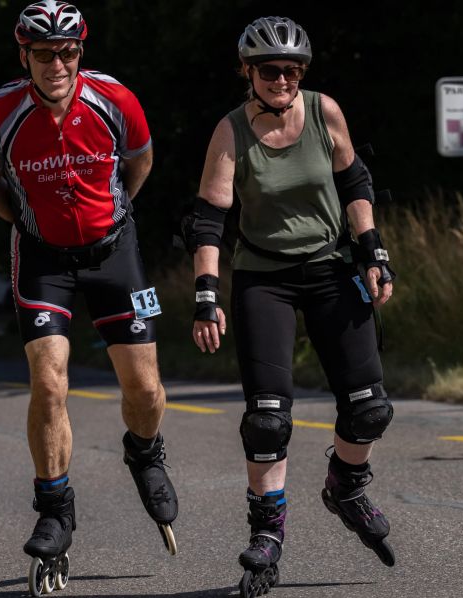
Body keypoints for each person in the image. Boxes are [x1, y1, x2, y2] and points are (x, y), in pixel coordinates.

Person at [0, 1, 179, 590]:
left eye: (66, 52)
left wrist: (114, 217)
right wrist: (24, 221)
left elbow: (140, 161)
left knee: (145, 388)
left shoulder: (115, 100)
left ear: (79, 53)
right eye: (43, 53)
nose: (56, 64)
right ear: (24, 56)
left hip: (117, 251)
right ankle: (55, 508)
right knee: (50, 381)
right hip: (41, 256)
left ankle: (144, 450)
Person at [184, 17, 398, 597]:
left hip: (331, 268)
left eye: (292, 70)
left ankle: (347, 487)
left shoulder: (325, 112)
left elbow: (355, 182)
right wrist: (207, 293)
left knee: (369, 409)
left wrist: (372, 252)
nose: (282, 79)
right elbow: (210, 218)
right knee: (268, 419)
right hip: (264, 279)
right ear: (247, 72)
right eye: (270, 69)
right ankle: (268, 534)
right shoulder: (230, 132)